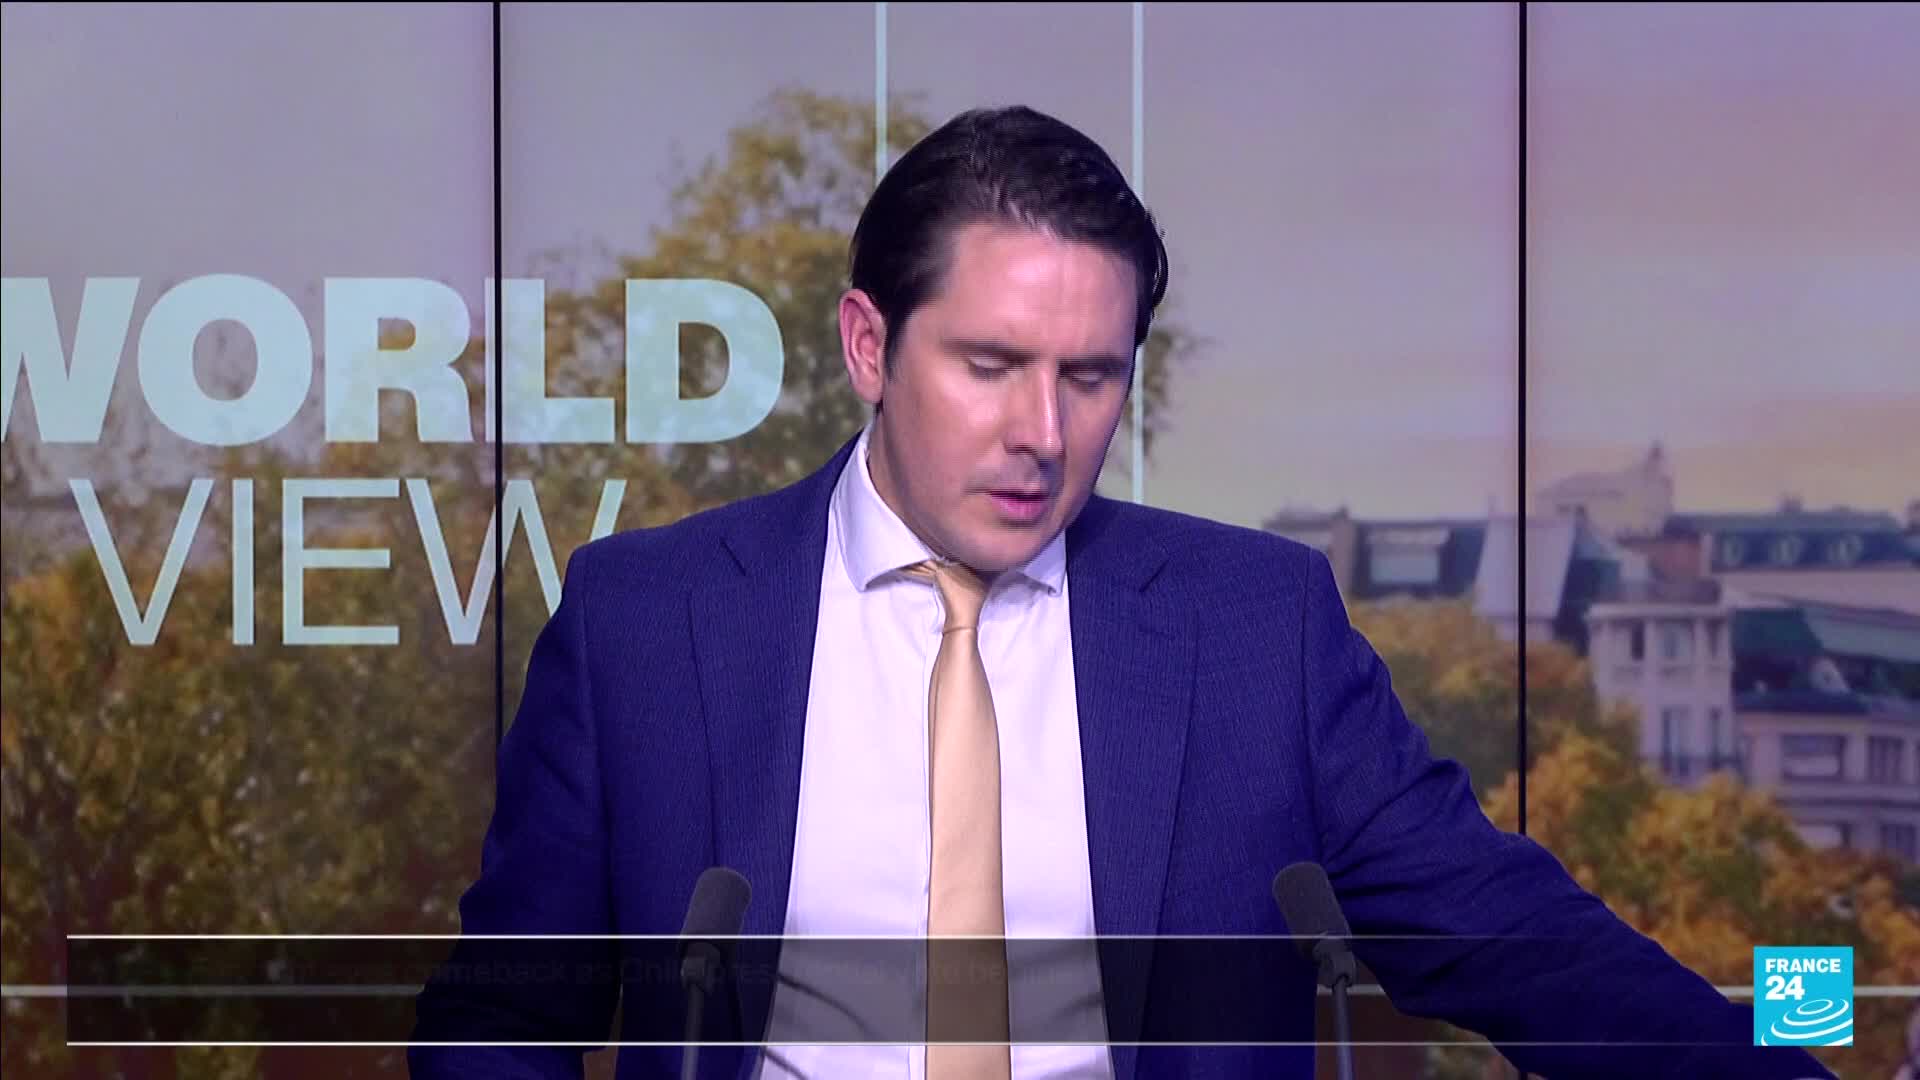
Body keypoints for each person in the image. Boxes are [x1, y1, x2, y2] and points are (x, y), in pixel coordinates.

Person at [409, 106, 1835, 1080]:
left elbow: (1509, 938)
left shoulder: (1257, 629)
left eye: (1090, 377)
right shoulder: (647, 624)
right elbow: (502, 1016)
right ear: (867, 345)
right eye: (990, 365)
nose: (1043, 431)